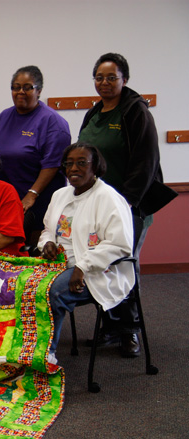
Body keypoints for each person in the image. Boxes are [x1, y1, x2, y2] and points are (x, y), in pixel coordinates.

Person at [77, 53, 169, 355]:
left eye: (111, 77)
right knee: (102, 265)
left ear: (124, 79)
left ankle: (130, 331)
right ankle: (110, 328)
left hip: (130, 205)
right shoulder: (93, 114)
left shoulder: (135, 111)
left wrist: (127, 202)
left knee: (124, 265)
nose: (104, 83)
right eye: (99, 77)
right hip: (97, 207)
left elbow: (146, 162)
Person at [38, 142, 135, 360]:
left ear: (96, 166)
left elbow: (119, 245)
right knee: (22, 286)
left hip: (97, 272)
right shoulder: (60, 195)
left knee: (51, 293)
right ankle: (23, 351)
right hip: (58, 265)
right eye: (69, 163)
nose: (74, 169)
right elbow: (47, 230)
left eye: (82, 163)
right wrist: (47, 244)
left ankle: (46, 356)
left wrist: (82, 267)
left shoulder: (109, 198)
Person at [0, 66, 71, 248]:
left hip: (37, 203)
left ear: (39, 91)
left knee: (32, 255)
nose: (21, 92)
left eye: (27, 87)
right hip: (7, 201)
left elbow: (52, 164)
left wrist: (31, 195)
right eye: (16, 87)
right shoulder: (4, 116)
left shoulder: (53, 122)